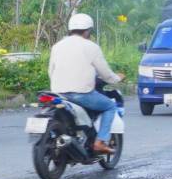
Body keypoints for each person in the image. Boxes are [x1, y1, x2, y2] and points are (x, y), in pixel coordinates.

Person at [48, 13, 124, 155]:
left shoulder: (57, 46)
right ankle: (100, 142)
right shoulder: (91, 47)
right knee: (110, 106)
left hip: (58, 93)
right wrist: (117, 79)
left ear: (70, 29)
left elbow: (51, 71)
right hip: (80, 94)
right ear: (88, 31)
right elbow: (105, 73)